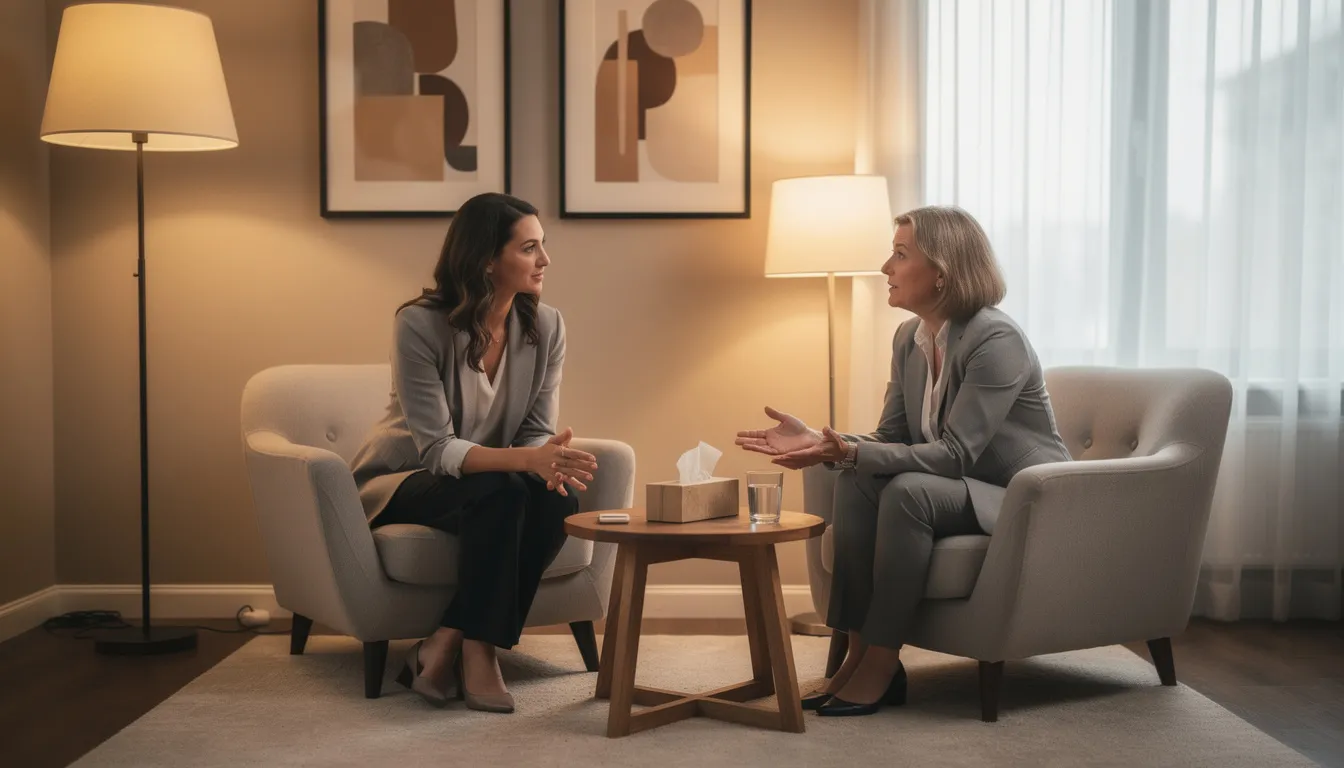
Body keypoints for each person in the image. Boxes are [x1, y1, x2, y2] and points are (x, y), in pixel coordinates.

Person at [735, 205, 1071, 717]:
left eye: (899, 255)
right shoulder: (908, 340)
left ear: (942, 271)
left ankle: (883, 663)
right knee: (855, 480)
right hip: (960, 485)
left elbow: (957, 454)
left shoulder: (995, 339)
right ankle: (854, 652)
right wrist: (824, 442)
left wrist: (847, 451)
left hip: (1020, 495)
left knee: (908, 492)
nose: (884, 268)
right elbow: (891, 437)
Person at [348, 192, 598, 713]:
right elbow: (436, 449)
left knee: (556, 502)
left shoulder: (546, 325)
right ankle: (480, 653)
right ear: (487, 259)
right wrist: (528, 461)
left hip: (487, 480)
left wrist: (544, 458)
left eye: (543, 246)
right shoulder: (419, 324)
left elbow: (534, 429)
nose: (545, 261)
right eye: (530, 248)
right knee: (505, 489)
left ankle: (450, 641)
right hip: (404, 479)